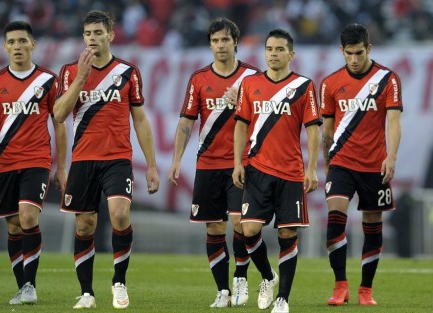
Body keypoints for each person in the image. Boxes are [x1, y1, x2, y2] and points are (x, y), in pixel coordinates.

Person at [53, 10, 160, 310]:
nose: (92, 39)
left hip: (117, 158)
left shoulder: (128, 72)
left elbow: (140, 119)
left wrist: (151, 164)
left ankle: (119, 282)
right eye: (88, 34)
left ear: (111, 35)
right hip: (83, 158)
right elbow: (59, 114)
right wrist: (81, 79)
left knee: (120, 215)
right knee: (85, 225)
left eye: (98, 33)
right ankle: (86, 293)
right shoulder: (70, 72)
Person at [168, 17, 260, 308]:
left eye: (225, 40)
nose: (220, 45)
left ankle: (241, 276)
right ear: (210, 44)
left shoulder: (252, 78)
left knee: (240, 223)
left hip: (240, 163)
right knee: (213, 228)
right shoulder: (199, 79)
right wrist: (176, 159)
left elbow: (264, 118)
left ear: (235, 41)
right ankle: (223, 290)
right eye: (215, 40)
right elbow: (186, 121)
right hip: (207, 163)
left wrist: (242, 101)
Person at [0, 21, 67, 305]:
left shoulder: (48, 81)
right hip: (5, 162)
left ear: (32, 45)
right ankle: (22, 286)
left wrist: (61, 165)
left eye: (22, 41)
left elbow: (60, 124)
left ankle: (30, 285)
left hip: (37, 160)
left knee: (28, 216)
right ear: (5, 46)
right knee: (13, 226)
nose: (17, 46)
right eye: (12, 41)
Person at [233, 29, 321, 313]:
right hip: (257, 169)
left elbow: (313, 129)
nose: (273, 53)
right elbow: (241, 125)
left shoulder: (304, 86)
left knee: (287, 234)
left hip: (291, 172)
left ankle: (283, 298)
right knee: (248, 230)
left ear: (290, 54)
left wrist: (312, 168)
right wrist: (237, 162)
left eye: (279, 49)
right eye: (269, 48)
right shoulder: (250, 84)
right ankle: (269, 276)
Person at [321, 23, 402, 306]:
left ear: (369, 48)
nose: (354, 60)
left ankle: (365, 290)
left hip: (374, 165)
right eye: (349, 54)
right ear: (341, 51)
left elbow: (393, 121)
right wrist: (327, 163)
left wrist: (390, 157)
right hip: (342, 162)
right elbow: (328, 131)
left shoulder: (387, 79)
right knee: (334, 221)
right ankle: (340, 285)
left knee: (373, 225)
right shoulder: (330, 83)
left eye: (359, 53)